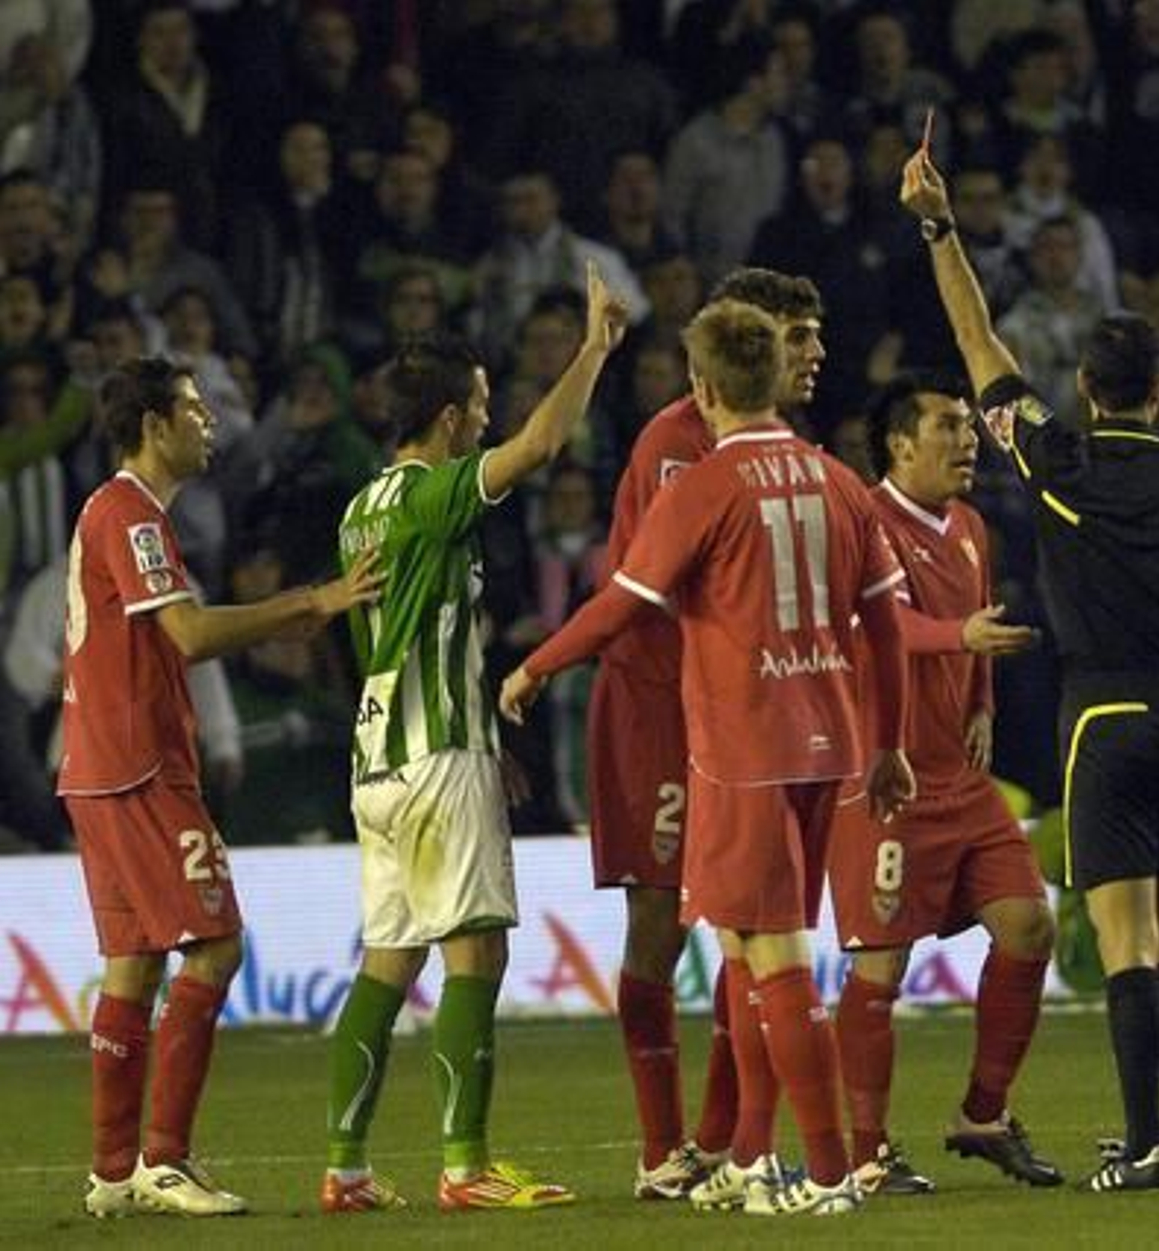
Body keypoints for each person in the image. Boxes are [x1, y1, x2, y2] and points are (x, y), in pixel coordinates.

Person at [900, 147, 1159, 1193]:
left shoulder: (1055, 460)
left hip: (1104, 716)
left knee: (1123, 939)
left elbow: (977, 339)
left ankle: (1144, 1139)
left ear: (1083, 387)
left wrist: (939, 226)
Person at [500, 298, 914, 1217]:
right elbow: (883, 624)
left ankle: (828, 1171)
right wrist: (885, 742)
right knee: (741, 945)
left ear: (701, 386)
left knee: (770, 952)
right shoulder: (837, 477)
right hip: (830, 738)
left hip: (743, 743)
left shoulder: (705, 484)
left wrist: (536, 664)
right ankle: (752, 1156)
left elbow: (622, 603)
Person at [321, 263, 628, 1214]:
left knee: (387, 960)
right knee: (475, 956)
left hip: (380, 759)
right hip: (438, 751)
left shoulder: (359, 506)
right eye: (482, 404)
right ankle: (466, 1165)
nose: (491, 419)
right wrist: (597, 345)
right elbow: (541, 445)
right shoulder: (428, 495)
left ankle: (346, 1166)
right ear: (450, 417)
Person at [65, 357, 380, 1218]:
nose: (210, 422)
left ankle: (111, 1170)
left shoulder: (112, 509)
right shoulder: (132, 514)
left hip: (96, 767)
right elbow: (192, 634)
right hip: (136, 766)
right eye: (196, 409)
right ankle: (165, 1159)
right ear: (155, 424)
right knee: (214, 946)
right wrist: (316, 602)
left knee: (130, 967)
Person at [585, 268, 828, 1201]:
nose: (814, 354)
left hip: (745, 714)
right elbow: (658, 589)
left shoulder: (779, 446)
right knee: (661, 917)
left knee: (755, 920)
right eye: (798, 335)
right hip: (656, 707)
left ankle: (732, 1142)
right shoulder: (679, 446)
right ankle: (662, 1149)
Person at [828, 372, 1061, 1195]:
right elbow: (870, 627)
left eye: (968, 426)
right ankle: (865, 1153)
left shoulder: (970, 526)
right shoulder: (860, 519)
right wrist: (958, 635)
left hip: (961, 777)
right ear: (899, 443)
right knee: (878, 972)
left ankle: (983, 1113)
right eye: (949, 426)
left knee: (1030, 924)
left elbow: (981, 619)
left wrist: (985, 698)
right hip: (885, 775)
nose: (968, 440)